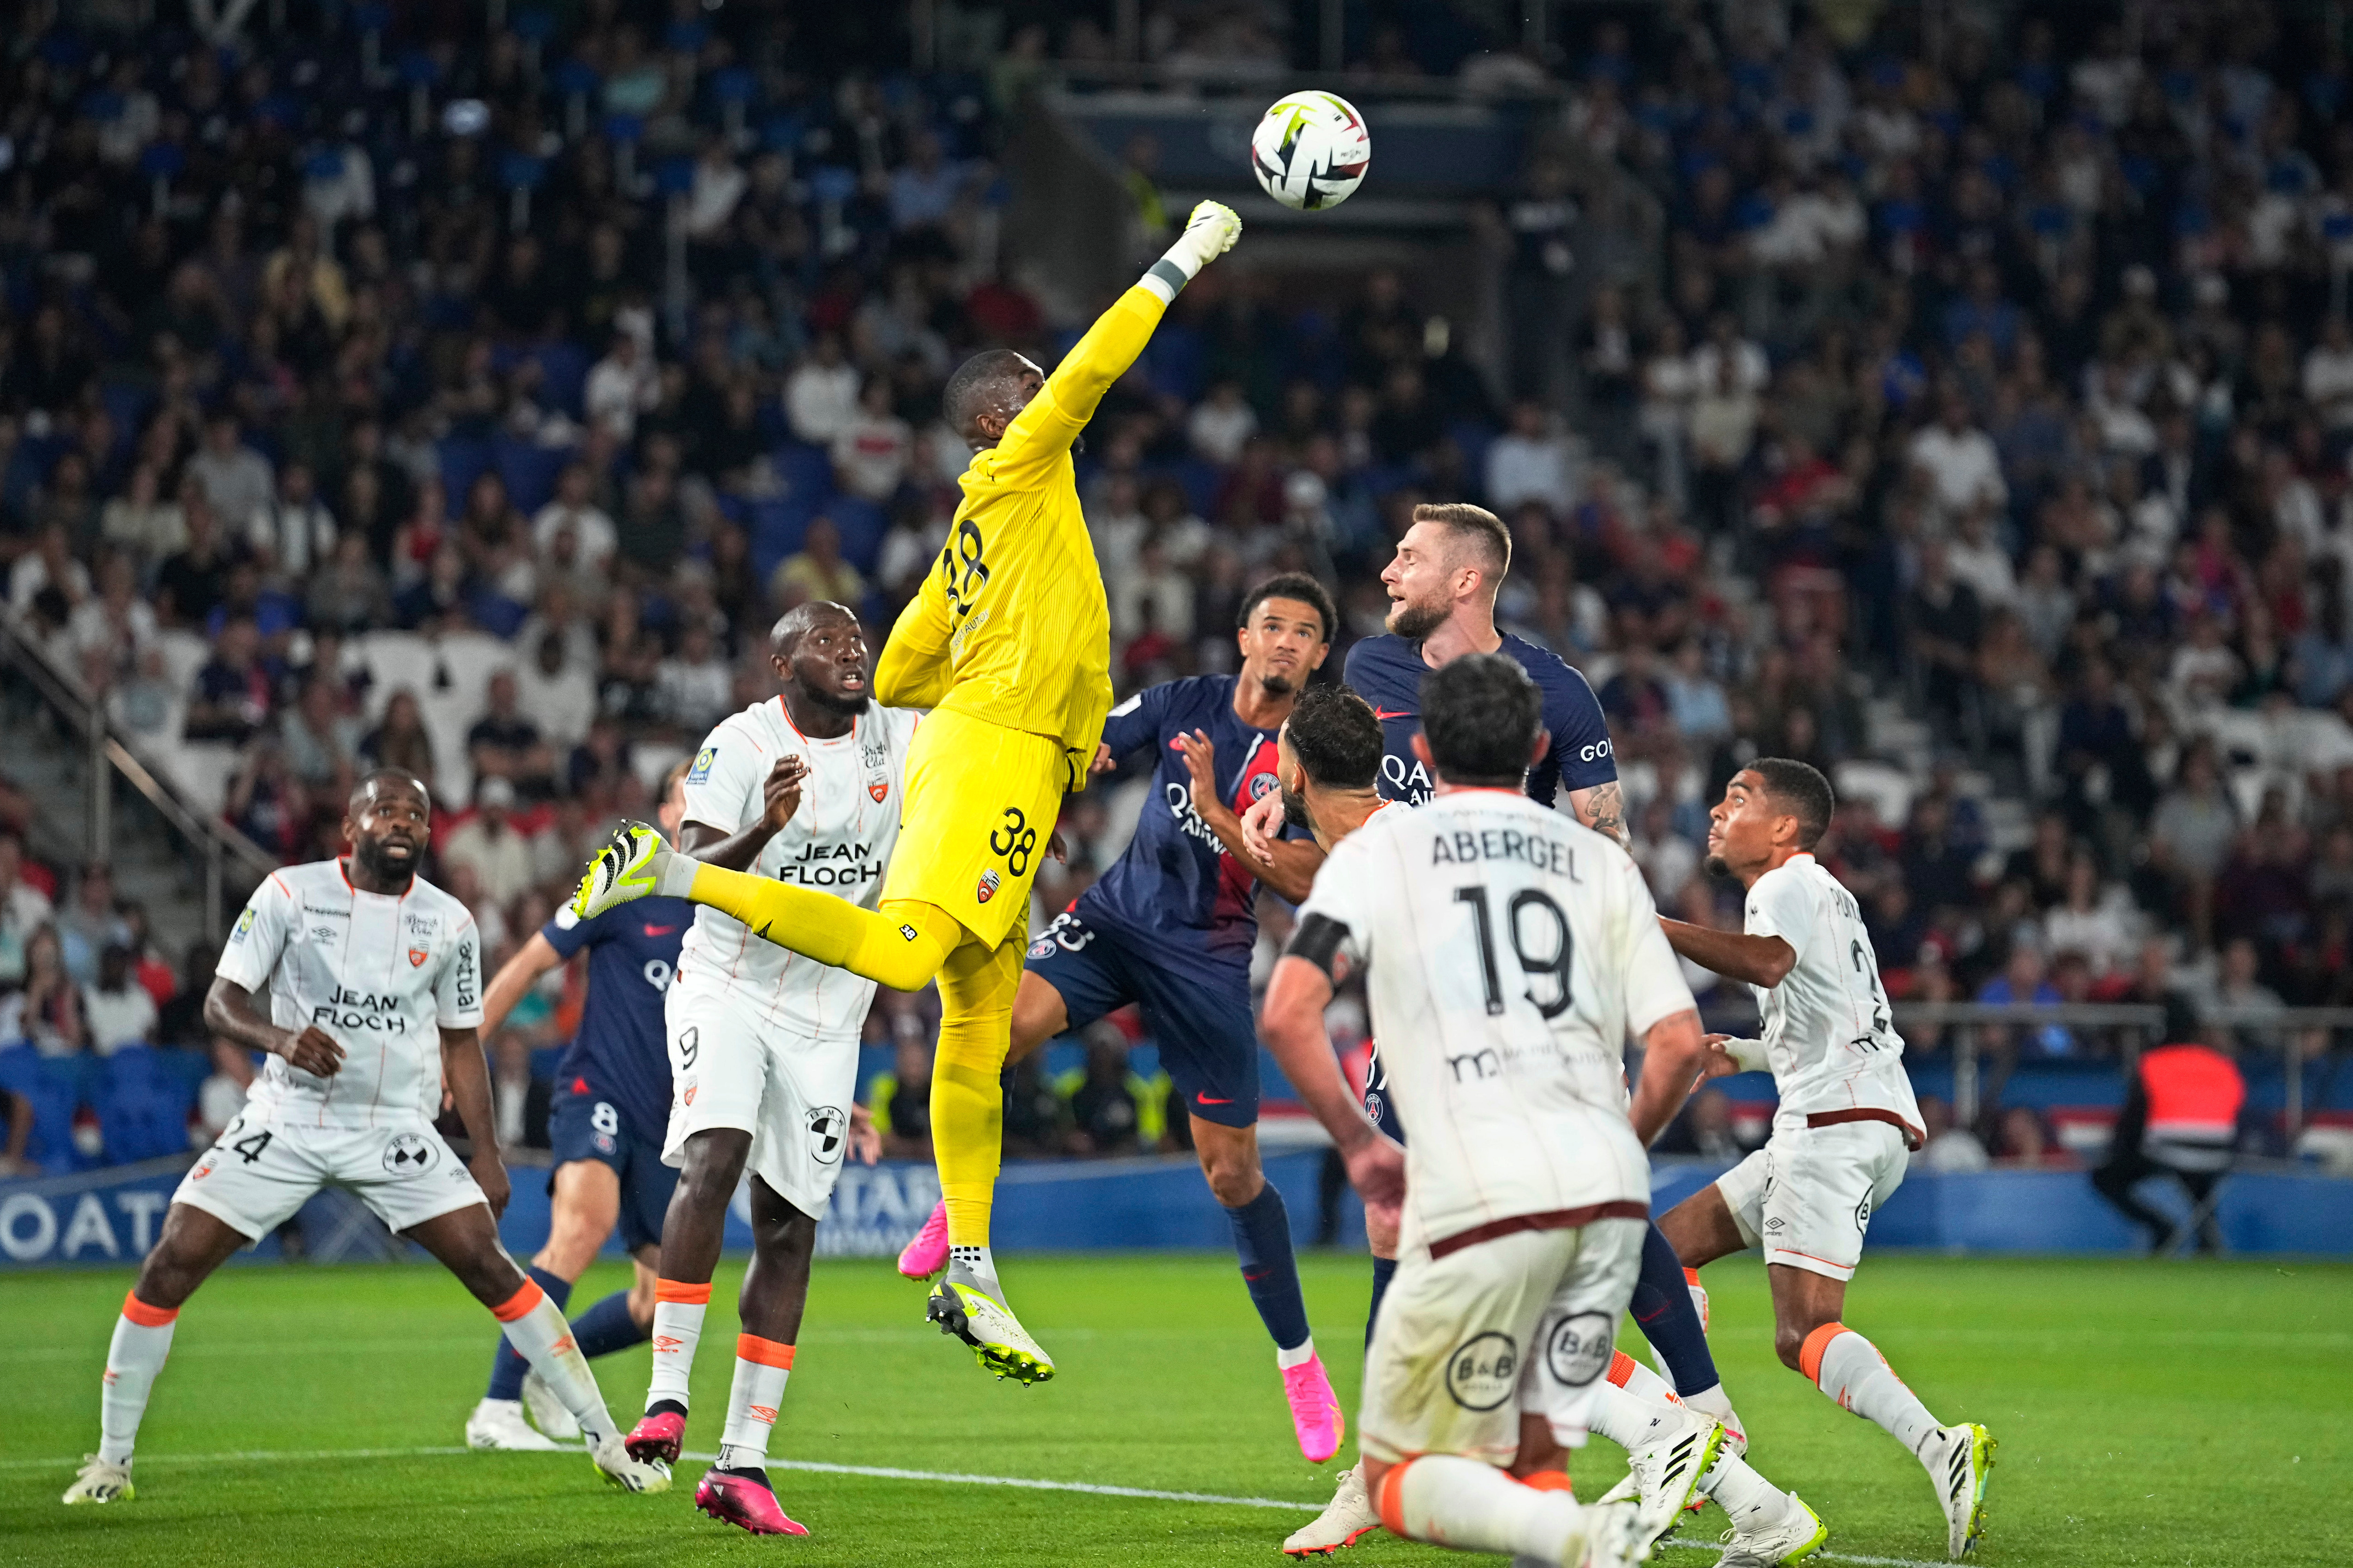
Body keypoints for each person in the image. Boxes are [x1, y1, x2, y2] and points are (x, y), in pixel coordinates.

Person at [573, 200, 1244, 1385]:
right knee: (898, 955)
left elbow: (894, 671)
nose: (1048, 402)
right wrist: (1182, 256)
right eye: (1029, 391)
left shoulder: (975, 532)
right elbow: (1092, 368)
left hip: (1006, 750)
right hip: (996, 750)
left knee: (978, 1020)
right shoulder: (1023, 457)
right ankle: (672, 868)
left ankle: (971, 1265)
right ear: (1001, 412)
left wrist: (1002, 691)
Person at [1253, 694, 1808, 1563]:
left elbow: (1289, 1009)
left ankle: (1665, 1434)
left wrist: (1362, 1144)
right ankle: (1736, 1473)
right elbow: (1670, 1039)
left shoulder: (1397, 847)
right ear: (1539, 749)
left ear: (1427, 749)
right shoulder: (1589, 858)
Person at [62, 770, 668, 1506]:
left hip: (391, 1128)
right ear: (351, 829)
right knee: (171, 1262)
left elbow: (461, 1045)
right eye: (385, 810)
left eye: (417, 812)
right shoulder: (289, 893)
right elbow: (221, 1004)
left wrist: (485, 1152)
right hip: (287, 1119)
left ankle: (606, 1443)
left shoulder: (448, 922)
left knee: (492, 1267)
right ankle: (111, 1463)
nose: (403, 822)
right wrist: (281, 1041)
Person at [893, 573, 1346, 1461]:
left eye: (1304, 632)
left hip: (1208, 961)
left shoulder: (1315, 757)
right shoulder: (1187, 700)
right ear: (1244, 635)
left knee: (1232, 1176)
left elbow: (1306, 879)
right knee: (994, 1029)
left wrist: (1217, 809)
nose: (1286, 641)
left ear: (1321, 655)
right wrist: (1042, 800)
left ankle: (1300, 1365)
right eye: (1272, 626)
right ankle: (962, 1210)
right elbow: (1092, 749)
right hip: (1115, 922)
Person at [1656, 760, 1994, 1559]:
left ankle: (1938, 1443)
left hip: (1830, 1127)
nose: (1715, 808)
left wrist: (1651, 925)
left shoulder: (1780, 886)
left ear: (1782, 827)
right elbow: (1828, 1015)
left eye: (1737, 798)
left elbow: (1766, 962)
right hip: (1853, 1115)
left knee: (1802, 1328)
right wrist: (1741, 1051)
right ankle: (1704, 1436)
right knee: (1663, 1251)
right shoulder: (1824, 892)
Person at [616, 602, 904, 1537]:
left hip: (830, 1015)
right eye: (827, 640)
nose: (852, 648)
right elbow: (689, 863)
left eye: (857, 637)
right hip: (728, 984)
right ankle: (666, 1398)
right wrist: (767, 827)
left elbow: (977, 785)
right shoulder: (739, 742)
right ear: (781, 663)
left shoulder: (900, 738)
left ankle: (743, 1464)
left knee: (790, 1230)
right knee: (717, 1156)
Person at [464, 762, 693, 1452]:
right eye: (691, 789)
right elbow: (530, 963)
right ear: (664, 808)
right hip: (597, 1091)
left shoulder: (734, 903)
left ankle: (544, 1374)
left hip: (669, 1120)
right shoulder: (627, 878)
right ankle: (496, 1410)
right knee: (580, 1230)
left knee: (657, 1307)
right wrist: (460, 1054)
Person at [2090, 1000, 2243, 1253]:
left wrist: (2115, 1152)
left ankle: (2161, 1227)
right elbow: (2237, 1113)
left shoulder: (2153, 1063)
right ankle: (2208, 1238)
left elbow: (2134, 1119)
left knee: (2105, 1179)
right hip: (2219, 1153)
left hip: (2166, 1150)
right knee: (2197, 1176)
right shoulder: (2223, 1065)